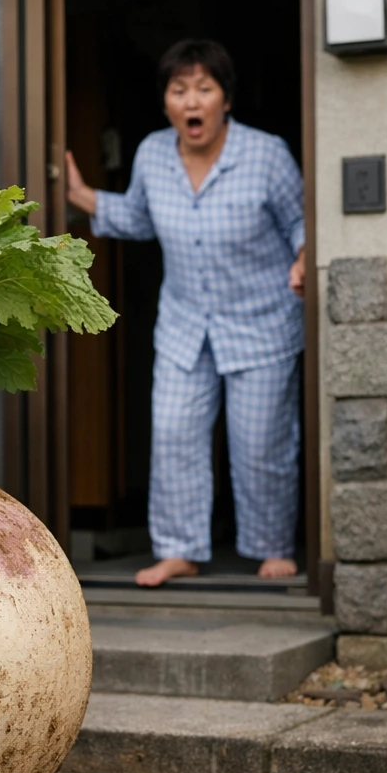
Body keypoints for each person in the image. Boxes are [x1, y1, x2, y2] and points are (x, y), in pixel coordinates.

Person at [65, 39, 305, 587]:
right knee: (173, 435)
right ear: (167, 102)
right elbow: (139, 217)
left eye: (203, 88)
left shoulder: (265, 154)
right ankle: (179, 549)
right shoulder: (152, 154)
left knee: (261, 443)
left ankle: (271, 545)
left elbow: (302, 220)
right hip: (183, 326)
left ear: (225, 98)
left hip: (262, 322)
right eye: (179, 90)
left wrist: (305, 256)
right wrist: (82, 195)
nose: (191, 100)